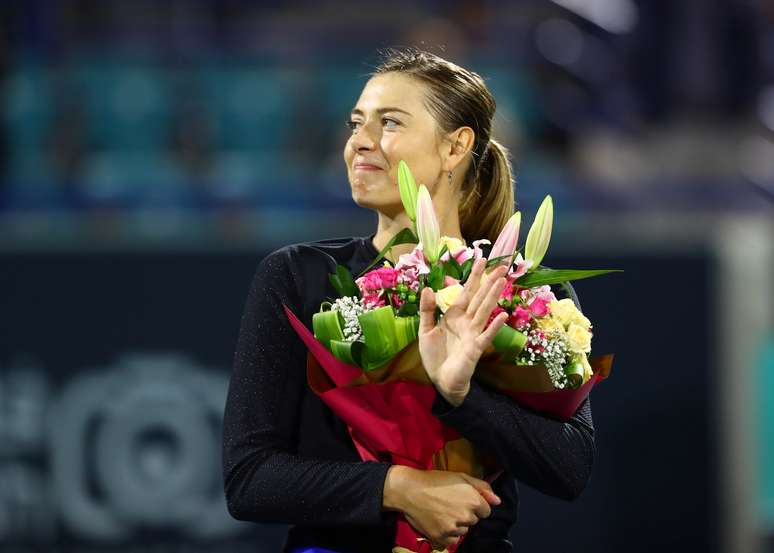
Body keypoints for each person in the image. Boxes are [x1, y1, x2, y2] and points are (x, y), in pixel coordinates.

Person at [221, 48, 595, 553]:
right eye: (356, 124)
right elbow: (250, 480)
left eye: (390, 123)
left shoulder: (523, 294)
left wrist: (462, 397)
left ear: (455, 147)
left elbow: (569, 469)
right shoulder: (297, 278)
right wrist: (398, 488)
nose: (360, 142)